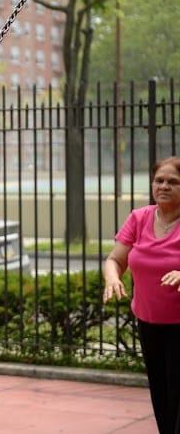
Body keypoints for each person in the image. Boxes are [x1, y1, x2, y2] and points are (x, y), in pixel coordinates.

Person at [103, 156, 180, 434]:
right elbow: (115, 259)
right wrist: (112, 277)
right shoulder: (139, 218)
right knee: (161, 393)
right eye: (159, 180)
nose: (164, 186)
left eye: (173, 182)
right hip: (149, 322)